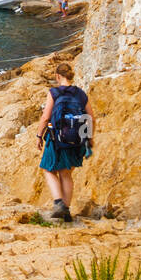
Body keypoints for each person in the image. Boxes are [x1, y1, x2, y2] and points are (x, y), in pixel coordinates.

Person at [34, 62, 95, 221]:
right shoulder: (81, 94)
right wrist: (90, 138)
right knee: (66, 174)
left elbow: (46, 117)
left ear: (58, 76)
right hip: (76, 140)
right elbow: (91, 117)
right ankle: (66, 212)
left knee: (48, 170)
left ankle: (59, 203)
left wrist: (39, 136)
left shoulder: (54, 93)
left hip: (57, 139)